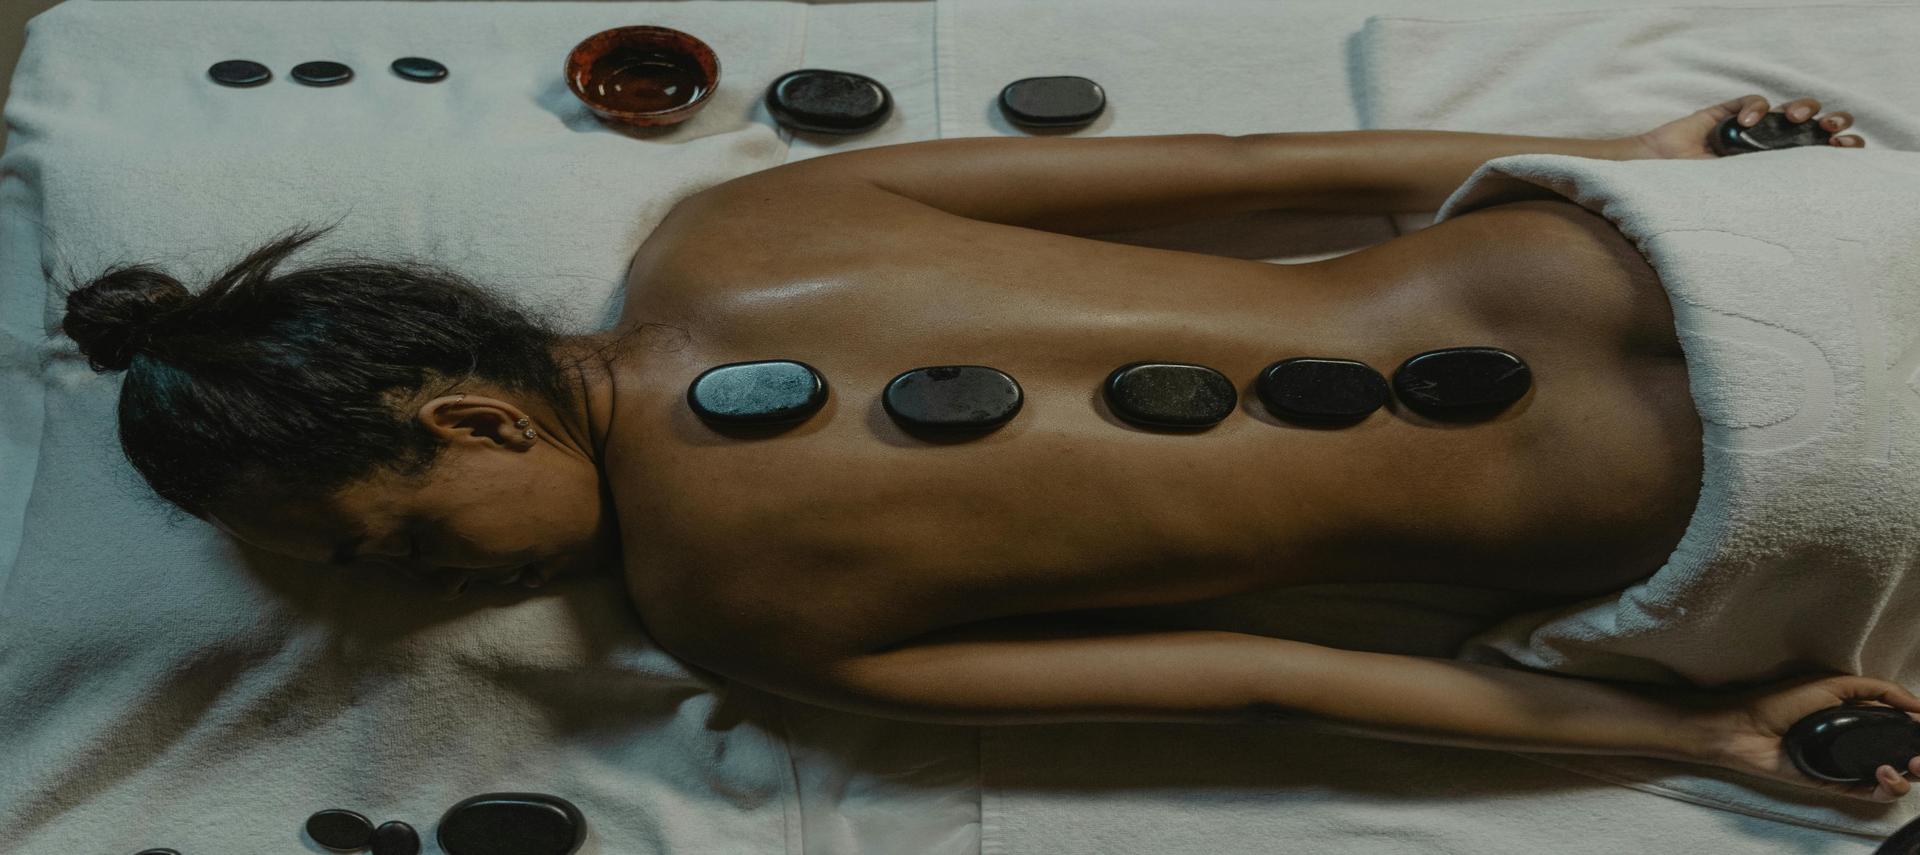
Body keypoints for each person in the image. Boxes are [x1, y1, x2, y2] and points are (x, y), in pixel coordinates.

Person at [58, 92, 1920, 802]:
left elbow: (1269, 685)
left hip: (1767, 494)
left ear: (466, 416)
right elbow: (1251, 170)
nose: (434, 592)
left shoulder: (740, 613)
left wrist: (1697, 733)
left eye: (395, 541)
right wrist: (1632, 158)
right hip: (1678, 257)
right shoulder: (747, 224)